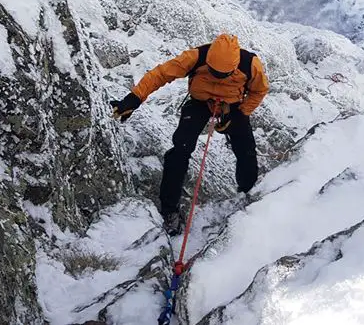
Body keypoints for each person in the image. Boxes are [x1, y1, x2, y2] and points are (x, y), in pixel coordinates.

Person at [110, 34, 270, 236]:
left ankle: (248, 192)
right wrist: (134, 98)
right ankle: (170, 210)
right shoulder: (196, 57)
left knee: (246, 149)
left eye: (223, 74)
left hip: (233, 105)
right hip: (200, 103)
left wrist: (240, 113)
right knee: (180, 149)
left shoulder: (250, 64)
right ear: (209, 61)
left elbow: (259, 91)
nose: (218, 76)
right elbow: (161, 74)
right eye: (213, 72)